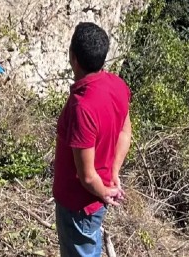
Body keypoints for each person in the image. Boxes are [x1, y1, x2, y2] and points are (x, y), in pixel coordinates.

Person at [53, 22, 132, 257]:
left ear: (73, 57)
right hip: (95, 198)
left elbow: (86, 176)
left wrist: (104, 192)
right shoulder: (117, 85)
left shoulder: (82, 107)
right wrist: (113, 174)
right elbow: (125, 132)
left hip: (79, 205)